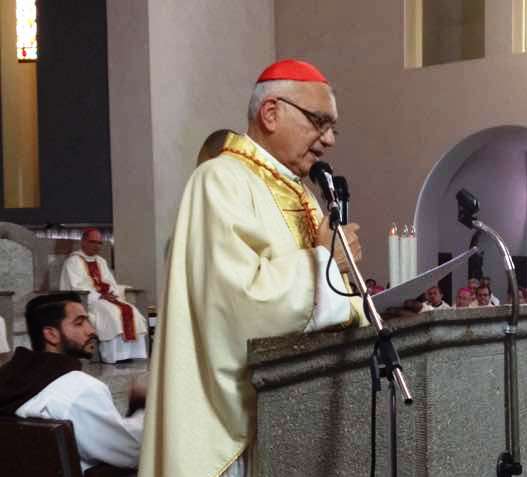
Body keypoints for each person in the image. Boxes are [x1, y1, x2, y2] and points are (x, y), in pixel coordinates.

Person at [139, 60, 366, 477]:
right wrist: (322, 262)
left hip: (299, 414)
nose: (329, 139)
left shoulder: (304, 195)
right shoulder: (220, 180)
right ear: (271, 113)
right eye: (320, 121)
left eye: (334, 128)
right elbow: (237, 307)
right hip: (237, 427)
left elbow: (333, 301)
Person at [0, 293, 144, 473]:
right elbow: (131, 451)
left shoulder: (9, 377)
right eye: (80, 323)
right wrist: (142, 407)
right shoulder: (79, 389)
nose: (91, 330)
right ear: (52, 334)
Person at [59, 228, 148, 363]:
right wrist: (100, 296)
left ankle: (129, 354)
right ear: (83, 242)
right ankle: (114, 355)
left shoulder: (100, 261)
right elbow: (76, 287)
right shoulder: (73, 261)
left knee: (131, 310)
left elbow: (110, 282)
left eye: (99, 243)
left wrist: (111, 293)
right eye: (93, 242)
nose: (96, 246)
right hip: (88, 301)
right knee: (111, 313)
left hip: (107, 298)